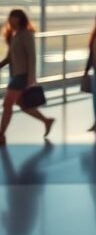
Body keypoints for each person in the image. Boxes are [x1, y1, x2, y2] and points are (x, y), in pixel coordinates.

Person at [0, 10, 55, 146]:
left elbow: (32, 56)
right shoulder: (14, 35)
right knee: (23, 105)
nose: (12, 20)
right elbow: (9, 57)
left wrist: (31, 77)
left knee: (7, 105)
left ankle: (1, 136)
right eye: (11, 18)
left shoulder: (26, 34)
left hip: (23, 76)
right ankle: (46, 121)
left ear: (21, 19)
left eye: (15, 18)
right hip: (15, 75)